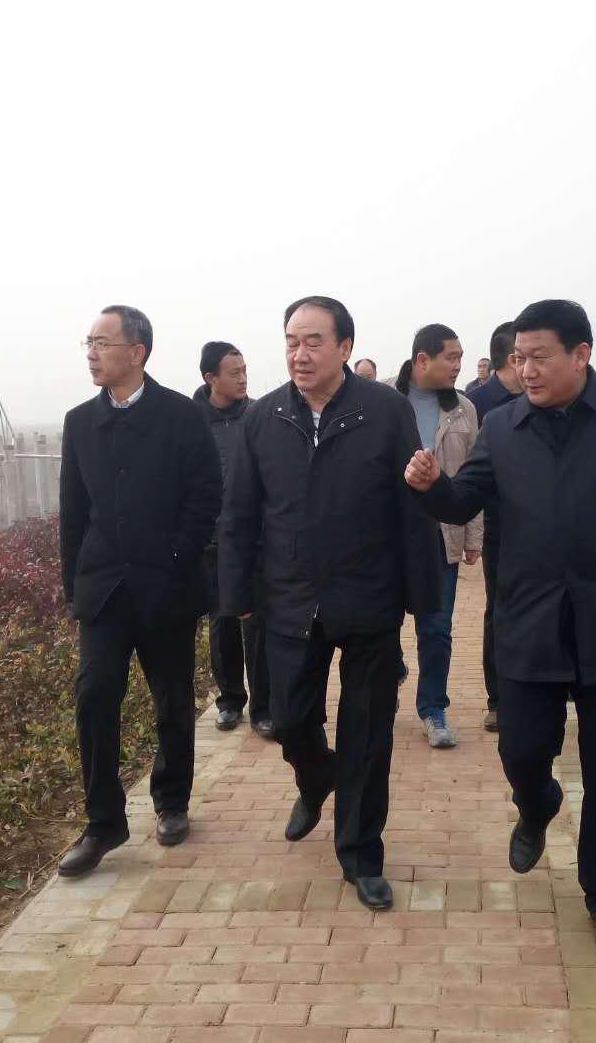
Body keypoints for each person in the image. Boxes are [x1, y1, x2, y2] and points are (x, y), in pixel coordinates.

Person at [404, 299, 596, 958]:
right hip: (529, 619)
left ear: (580, 354)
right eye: (518, 358)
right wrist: (430, 486)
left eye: (539, 357)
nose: (526, 370)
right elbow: (464, 498)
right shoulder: (503, 426)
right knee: (522, 751)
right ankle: (536, 806)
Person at [219, 295, 440, 911]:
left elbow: (410, 504)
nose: (300, 353)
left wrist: (422, 596)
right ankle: (317, 778)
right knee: (288, 720)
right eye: (292, 341)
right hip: (288, 600)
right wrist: (235, 596)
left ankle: (362, 854)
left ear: (344, 347)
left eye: (314, 341)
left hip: (368, 597)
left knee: (367, 733)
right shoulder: (264, 417)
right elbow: (239, 513)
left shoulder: (385, 411)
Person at [58, 305, 222, 877]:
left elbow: (206, 494)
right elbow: (73, 511)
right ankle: (103, 822)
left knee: (172, 699)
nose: (92, 353)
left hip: (167, 586)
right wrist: (73, 587)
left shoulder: (180, 416)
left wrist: (178, 558)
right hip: (104, 590)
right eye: (88, 342)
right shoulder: (80, 422)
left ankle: (171, 800)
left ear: (137, 351)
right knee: (94, 695)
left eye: (102, 343)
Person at [394, 326, 483, 749]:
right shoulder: (385, 402)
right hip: (389, 537)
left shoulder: (464, 409)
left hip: (442, 534)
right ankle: (386, 683)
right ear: (422, 360)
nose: (458, 365)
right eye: (450, 357)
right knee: (379, 626)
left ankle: (433, 708)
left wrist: (473, 536)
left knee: (436, 629)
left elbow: (474, 476)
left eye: (460, 357)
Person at [194, 341, 272, 739]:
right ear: (211, 378)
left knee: (258, 625)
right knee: (222, 622)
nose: (242, 379)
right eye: (233, 372)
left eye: (244, 371)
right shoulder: (191, 422)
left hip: (254, 539)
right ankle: (229, 700)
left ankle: (264, 707)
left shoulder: (259, 415)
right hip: (211, 540)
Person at [469, 322, 522, 733]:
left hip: (548, 525)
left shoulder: (544, 397)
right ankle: (499, 700)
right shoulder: (477, 404)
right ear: (513, 358)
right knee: (500, 610)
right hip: (500, 526)